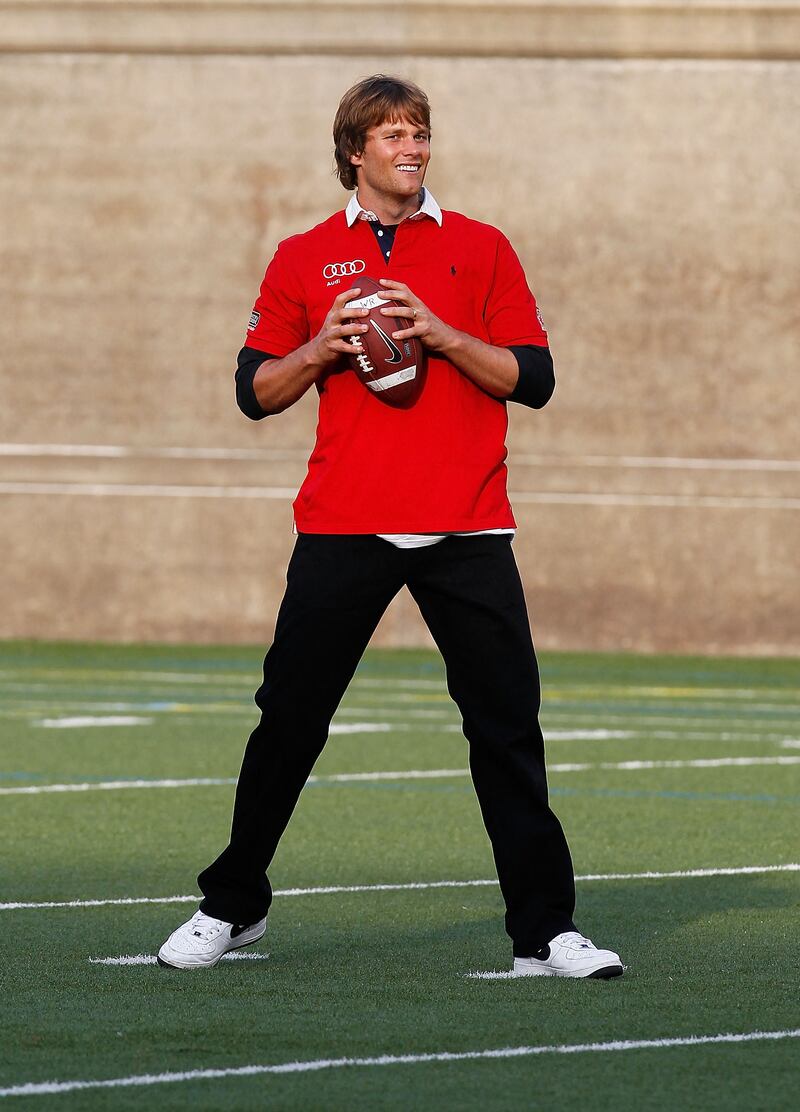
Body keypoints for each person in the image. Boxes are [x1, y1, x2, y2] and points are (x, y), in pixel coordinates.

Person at [158, 74, 623, 979]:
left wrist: (443, 335)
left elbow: (534, 378)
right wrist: (321, 347)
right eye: (392, 135)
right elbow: (255, 394)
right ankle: (232, 905)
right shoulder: (303, 256)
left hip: (468, 524)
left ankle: (544, 932)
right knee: (287, 722)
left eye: (420, 133)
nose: (411, 148)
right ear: (354, 151)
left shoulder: (482, 247)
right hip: (346, 523)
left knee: (506, 732)